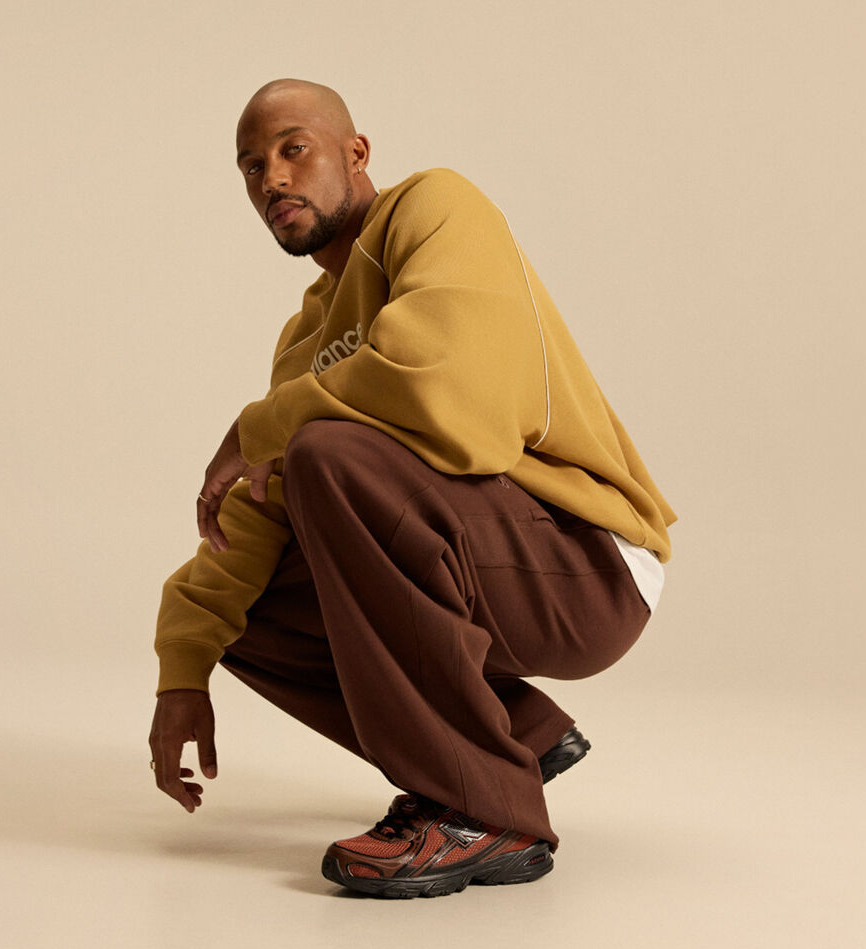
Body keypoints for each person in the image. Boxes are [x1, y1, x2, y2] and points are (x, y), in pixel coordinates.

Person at [149, 78, 677, 899]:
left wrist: (259, 425)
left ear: (355, 154)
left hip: (584, 555)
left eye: (294, 149)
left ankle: (483, 811)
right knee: (244, 607)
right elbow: (256, 522)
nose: (273, 181)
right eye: (251, 167)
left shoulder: (436, 206)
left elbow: (449, 388)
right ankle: (511, 742)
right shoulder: (307, 339)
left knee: (331, 455)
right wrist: (182, 667)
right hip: (483, 559)